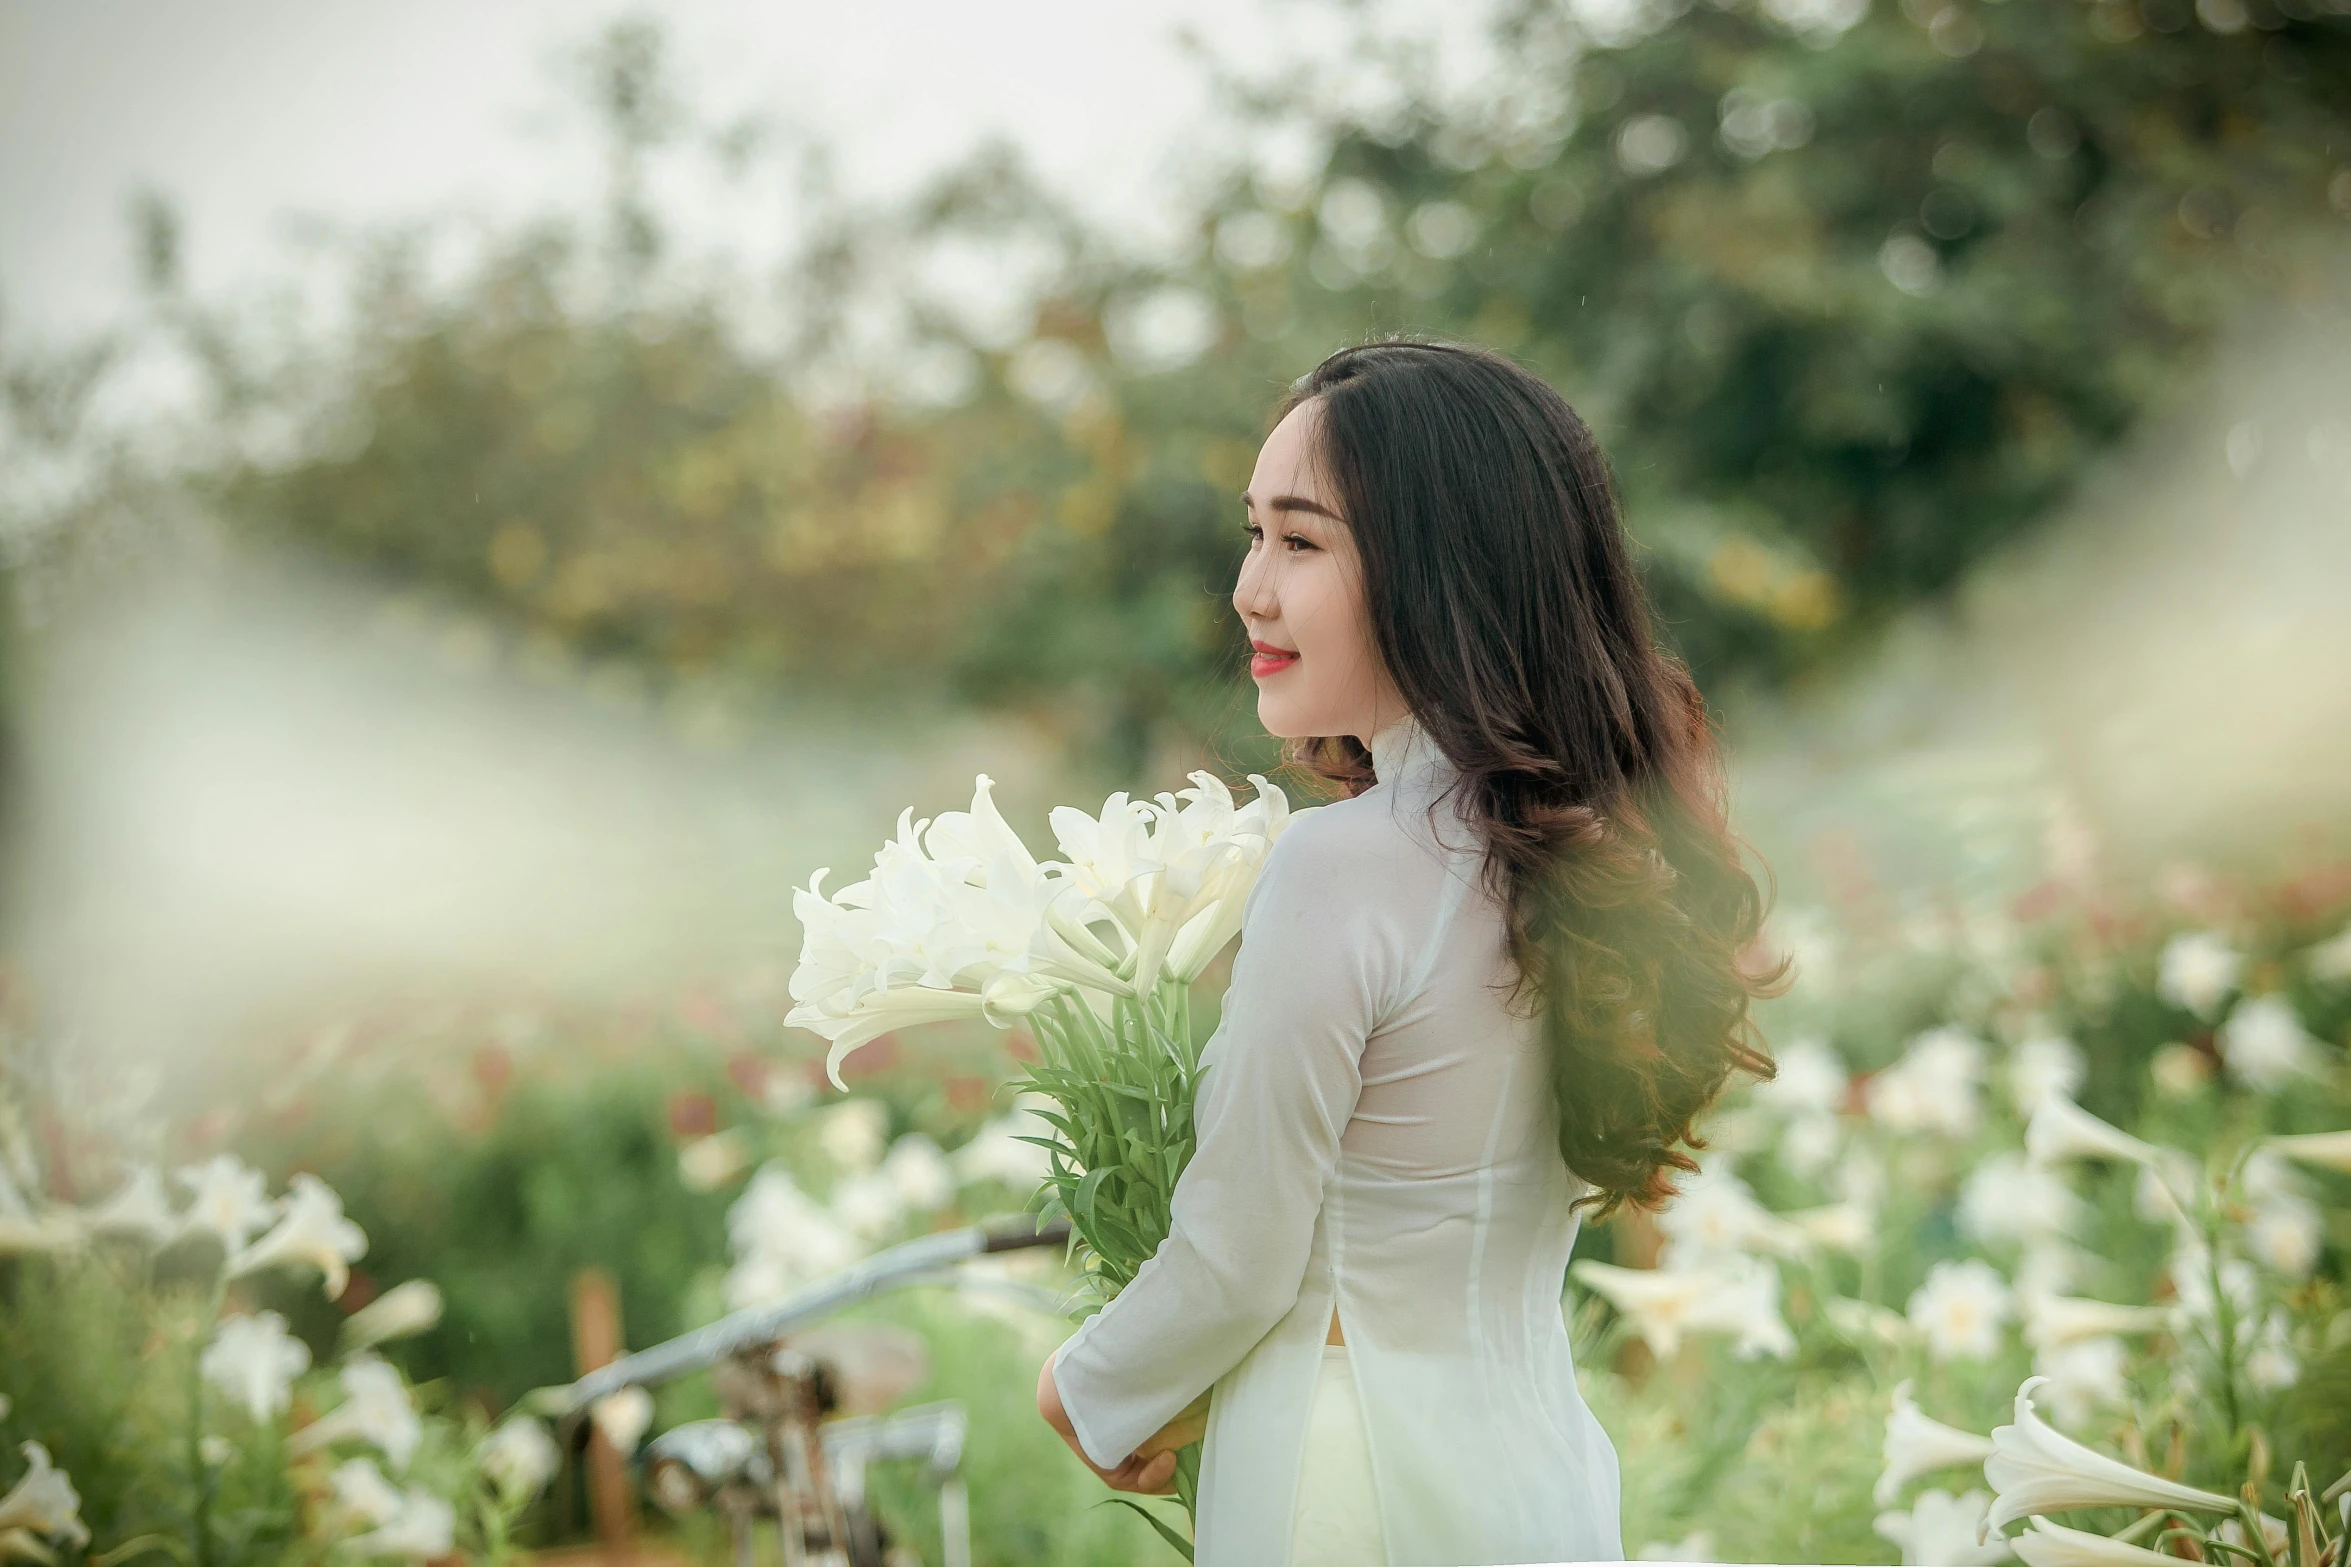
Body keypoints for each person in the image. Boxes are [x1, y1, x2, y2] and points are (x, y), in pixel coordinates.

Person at [1033, 338, 1792, 1567]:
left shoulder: (1344, 863)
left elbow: (1237, 1255)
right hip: (1530, 1460)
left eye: (1301, 540)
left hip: (1347, 1475)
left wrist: (1081, 1384)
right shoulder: (1575, 857)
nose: (1248, 588)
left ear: (1436, 574)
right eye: (1252, 534)